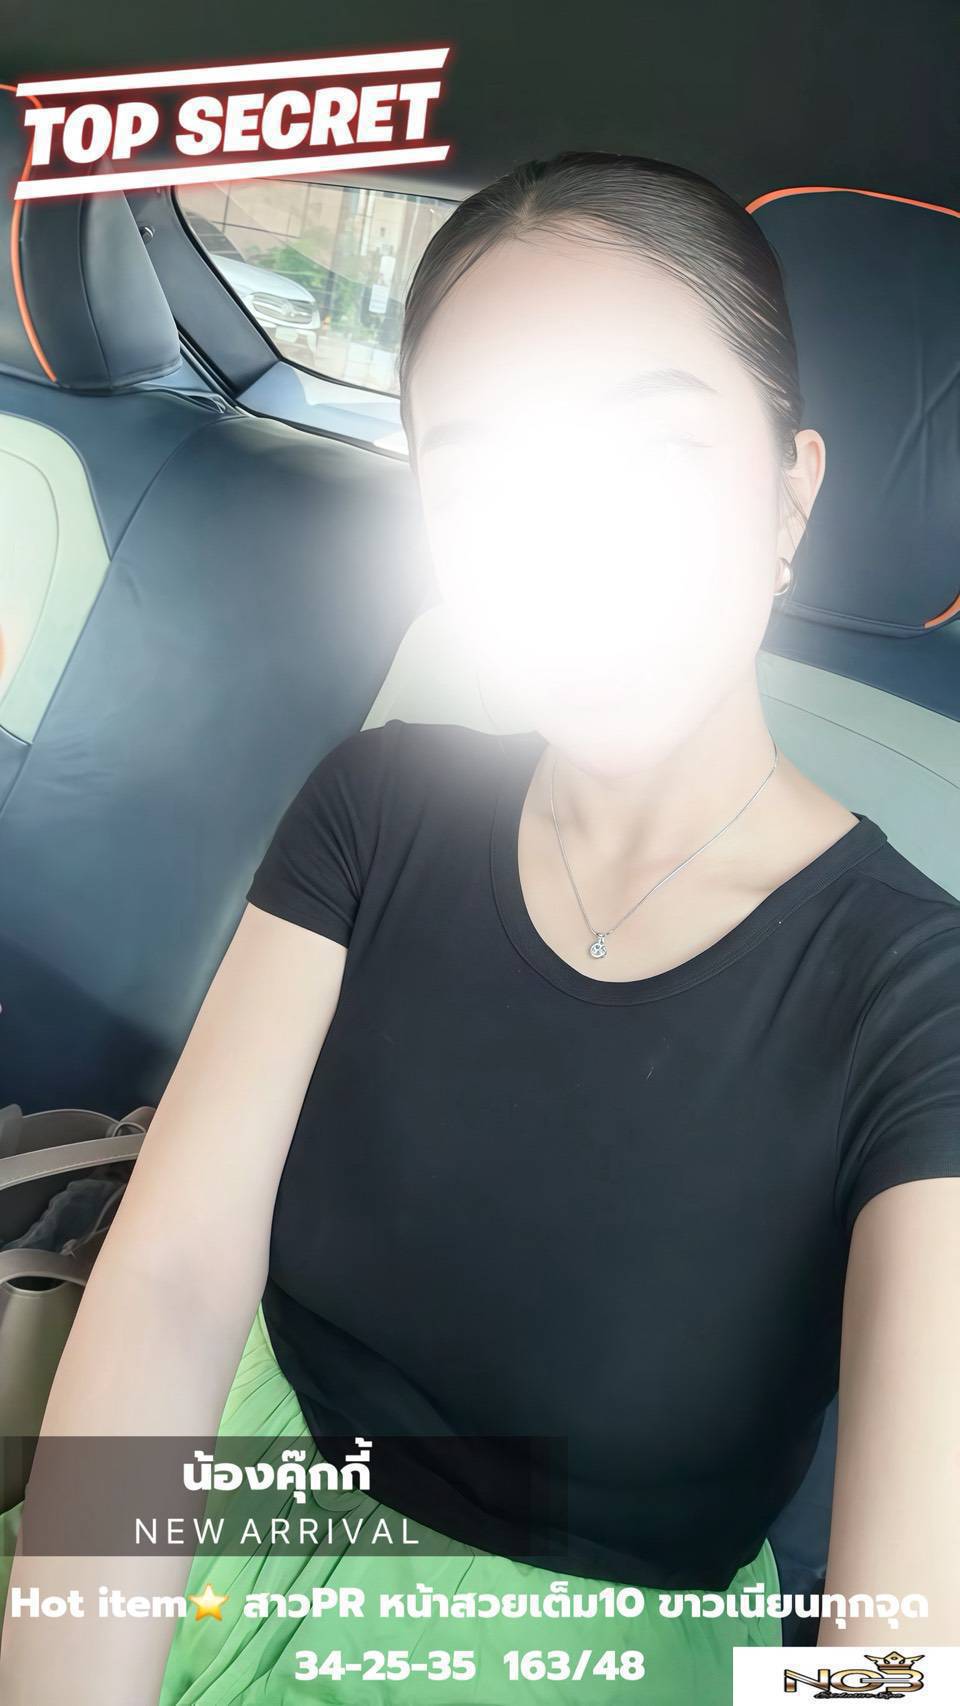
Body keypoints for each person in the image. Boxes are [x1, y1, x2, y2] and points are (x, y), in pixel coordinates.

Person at [2, 151, 959, 1705]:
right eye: (487, 475)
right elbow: (173, 1281)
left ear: (789, 491)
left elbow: (911, 1646)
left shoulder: (918, 996)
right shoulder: (376, 804)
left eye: (651, 450)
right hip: (229, 1502)